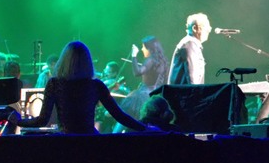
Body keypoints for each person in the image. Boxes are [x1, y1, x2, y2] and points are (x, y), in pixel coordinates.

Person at [12, 41, 147, 134]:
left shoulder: (54, 84)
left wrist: (18, 121)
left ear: (63, 61)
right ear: (87, 62)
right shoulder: (96, 85)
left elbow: (42, 120)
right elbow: (119, 115)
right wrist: (146, 128)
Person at [123, 36, 170, 119]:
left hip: (144, 94)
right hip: (157, 94)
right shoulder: (163, 61)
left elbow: (137, 72)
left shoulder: (151, 60)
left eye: (143, 47)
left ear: (149, 48)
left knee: (131, 117)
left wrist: (134, 56)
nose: (142, 49)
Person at [169, 16, 210, 85]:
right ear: (195, 28)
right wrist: (197, 91)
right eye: (206, 27)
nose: (209, 30)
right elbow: (192, 78)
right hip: (184, 91)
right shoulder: (190, 44)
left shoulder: (191, 43)